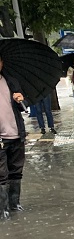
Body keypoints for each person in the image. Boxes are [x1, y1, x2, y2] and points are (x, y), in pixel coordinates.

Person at [0, 56, 27, 218]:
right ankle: (2, 209)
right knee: (1, 174)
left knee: (16, 171)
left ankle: (14, 204)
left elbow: (24, 106)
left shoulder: (11, 81)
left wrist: (21, 100)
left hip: (16, 133)